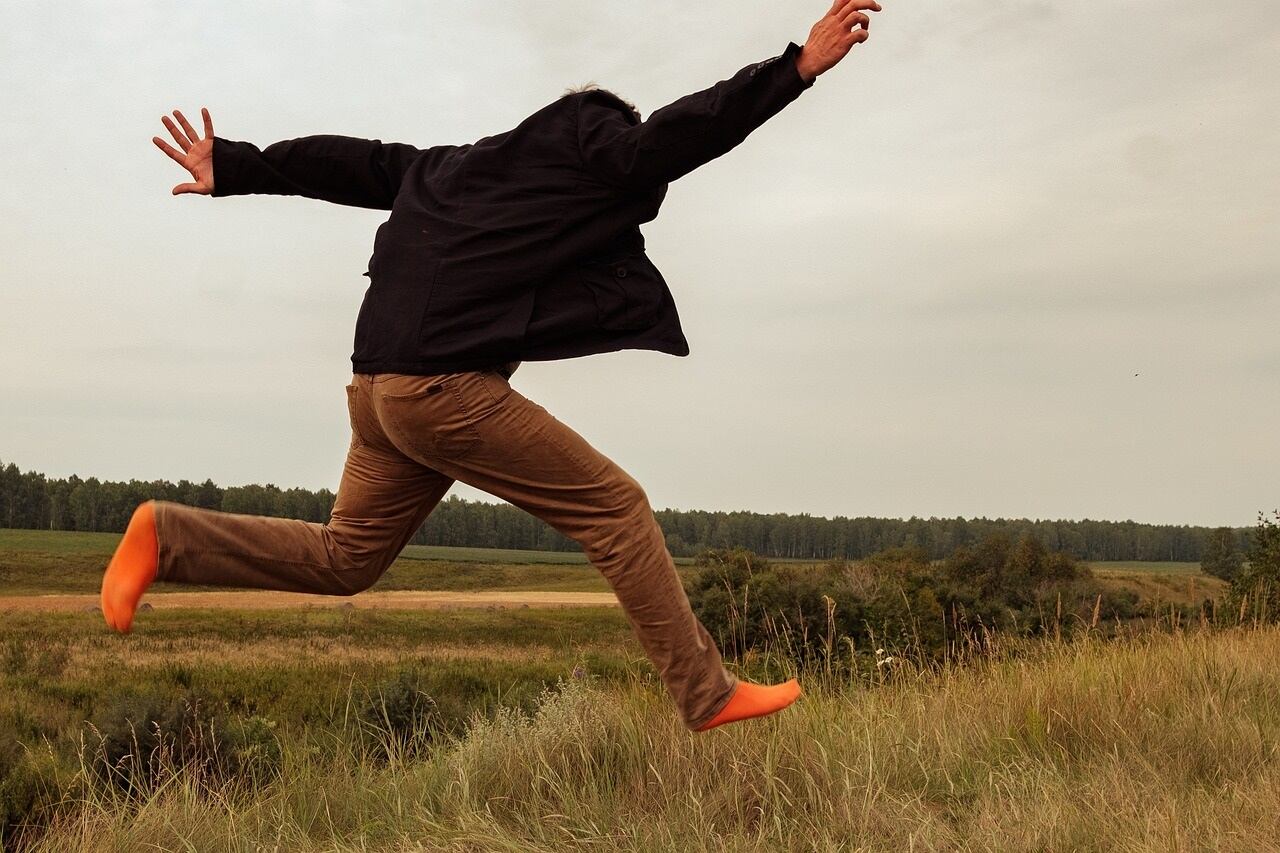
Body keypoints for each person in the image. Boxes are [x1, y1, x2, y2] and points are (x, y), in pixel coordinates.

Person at [102, 0, 882, 732]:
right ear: (595, 126)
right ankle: (707, 693)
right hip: (442, 389)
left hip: (377, 390)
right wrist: (794, 70)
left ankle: (165, 536)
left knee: (346, 558)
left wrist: (237, 165)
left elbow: (352, 163)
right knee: (616, 509)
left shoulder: (453, 168)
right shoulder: (594, 137)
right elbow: (673, 136)